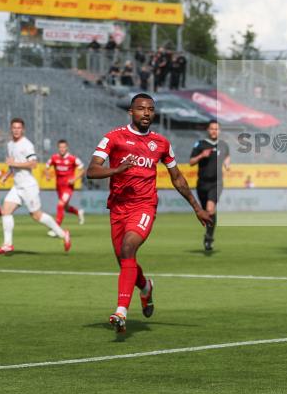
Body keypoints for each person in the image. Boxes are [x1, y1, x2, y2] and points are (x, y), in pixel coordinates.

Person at [86, 93, 211, 334]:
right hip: (118, 207)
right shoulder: (113, 138)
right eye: (141, 108)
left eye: (151, 109)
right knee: (125, 260)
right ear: (131, 112)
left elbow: (177, 178)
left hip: (144, 205)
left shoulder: (161, 143)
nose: (146, 113)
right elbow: (92, 170)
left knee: (128, 248)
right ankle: (145, 287)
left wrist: (197, 208)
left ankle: (121, 312)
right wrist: (117, 170)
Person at [0, 119, 71, 254]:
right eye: (14, 127)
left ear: (23, 130)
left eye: (19, 128)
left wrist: (14, 164)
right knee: (5, 211)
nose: (16, 130)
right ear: (11, 129)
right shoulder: (10, 144)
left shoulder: (27, 145)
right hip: (17, 186)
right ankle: (7, 245)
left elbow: (33, 163)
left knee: (36, 215)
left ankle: (63, 234)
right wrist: (7, 175)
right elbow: (13, 164)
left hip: (28, 186)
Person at [189, 120, 231, 251]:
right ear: (208, 130)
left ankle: (209, 237)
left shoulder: (223, 145)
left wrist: (227, 163)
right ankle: (209, 234)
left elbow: (227, 155)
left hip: (216, 183)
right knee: (206, 213)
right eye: (212, 128)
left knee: (210, 208)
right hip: (202, 183)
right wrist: (202, 155)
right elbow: (191, 162)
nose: (214, 131)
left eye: (216, 129)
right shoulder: (200, 144)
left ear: (220, 131)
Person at [44, 139, 85, 232]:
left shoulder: (73, 159)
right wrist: (47, 175)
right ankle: (78, 212)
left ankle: (56, 229)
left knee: (60, 205)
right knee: (65, 208)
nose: (62, 149)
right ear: (58, 148)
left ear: (67, 148)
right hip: (59, 187)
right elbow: (46, 167)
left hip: (68, 187)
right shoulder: (54, 158)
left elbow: (82, 169)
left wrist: (74, 179)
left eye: (64, 147)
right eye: (60, 147)